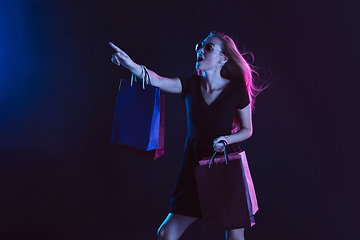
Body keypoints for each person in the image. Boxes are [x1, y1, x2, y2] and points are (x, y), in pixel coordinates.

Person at [110, 31, 261, 240]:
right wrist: (130, 64)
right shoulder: (191, 85)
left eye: (209, 47)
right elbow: (158, 80)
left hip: (226, 167)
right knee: (166, 234)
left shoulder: (236, 90)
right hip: (194, 166)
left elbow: (247, 129)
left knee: (235, 237)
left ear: (223, 59)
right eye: (200, 45)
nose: (200, 49)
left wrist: (227, 139)